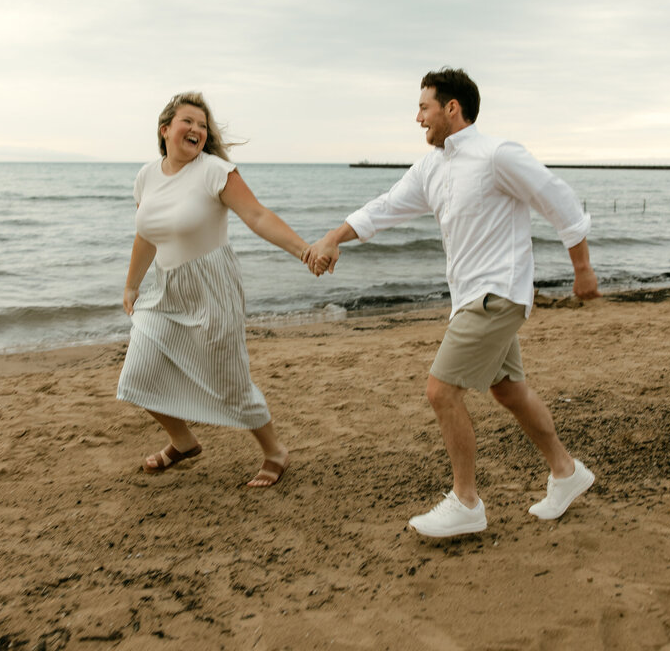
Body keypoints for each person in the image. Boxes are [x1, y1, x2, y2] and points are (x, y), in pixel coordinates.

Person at [305, 68, 601, 536]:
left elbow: (556, 197)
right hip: (470, 297)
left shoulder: (496, 155)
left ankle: (466, 503)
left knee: (441, 392)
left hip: (497, 293)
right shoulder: (432, 167)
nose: (417, 117)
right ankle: (566, 472)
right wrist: (332, 237)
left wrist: (582, 268)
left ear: (451, 108)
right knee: (507, 390)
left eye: (423, 107)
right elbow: (386, 206)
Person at [118, 92, 321, 487]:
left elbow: (257, 215)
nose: (197, 129)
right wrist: (131, 284)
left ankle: (274, 451)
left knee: (230, 379)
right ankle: (183, 441)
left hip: (212, 287)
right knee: (137, 374)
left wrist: (304, 251)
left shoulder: (215, 171)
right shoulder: (146, 176)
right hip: (165, 290)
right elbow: (146, 235)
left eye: (202, 125)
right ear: (165, 130)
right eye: (188, 121)